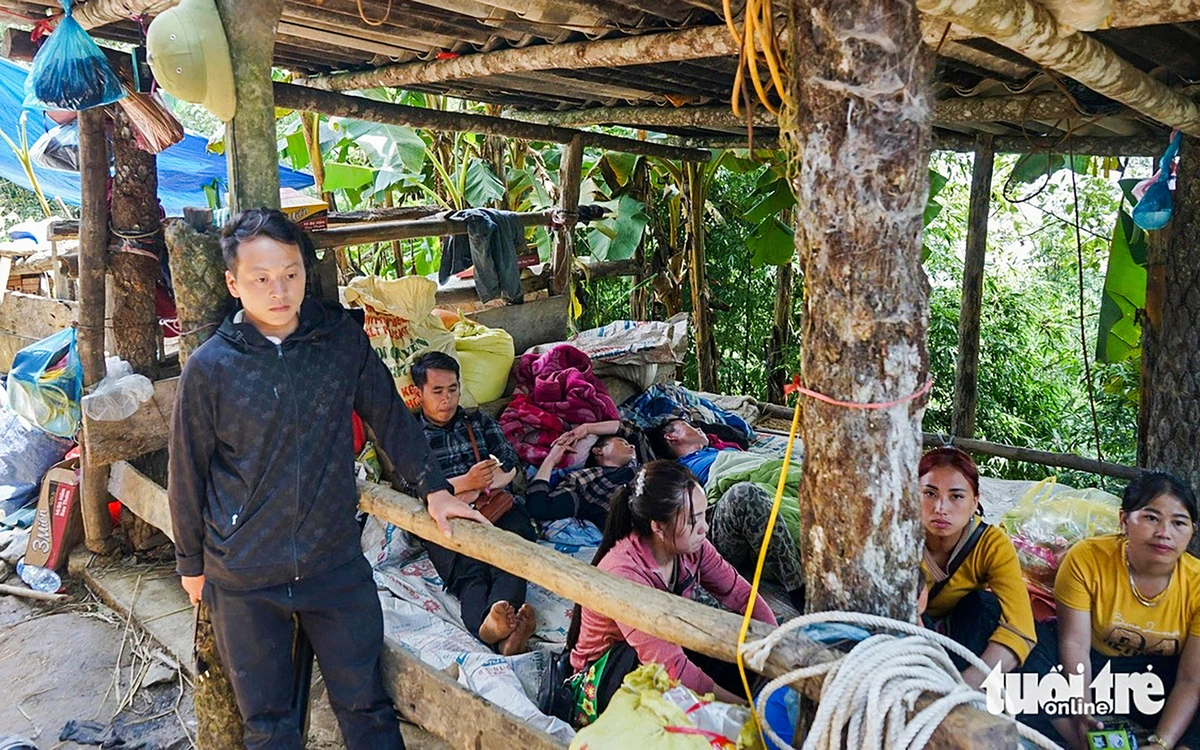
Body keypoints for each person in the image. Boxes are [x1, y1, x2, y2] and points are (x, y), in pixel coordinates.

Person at [168, 209, 484, 750]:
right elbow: (187, 472)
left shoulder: (340, 341)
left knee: (366, 706)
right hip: (244, 575)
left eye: (290, 273)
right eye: (260, 278)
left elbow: (388, 414)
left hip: (333, 562)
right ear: (232, 282)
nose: (278, 290)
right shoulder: (211, 368)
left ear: (304, 272)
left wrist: (434, 487)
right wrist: (191, 566)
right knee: (268, 725)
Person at [566, 460, 777, 726]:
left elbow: (741, 595)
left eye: (703, 515)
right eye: (693, 520)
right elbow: (670, 667)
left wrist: (774, 650)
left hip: (664, 650)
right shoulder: (623, 573)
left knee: (737, 656)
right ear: (659, 527)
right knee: (687, 703)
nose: (705, 528)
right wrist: (747, 711)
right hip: (605, 679)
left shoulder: (693, 546)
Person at [1018, 471, 1200, 750]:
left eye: (1179, 523)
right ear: (1124, 520)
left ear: (1192, 531)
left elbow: (1190, 679)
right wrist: (1083, 709)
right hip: (1096, 673)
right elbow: (1074, 643)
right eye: (1151, 518)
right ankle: (1079, 737)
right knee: (1014, 630)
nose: (1164, 533)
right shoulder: (1087, 558)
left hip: (1160, 687)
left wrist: (1163, 743)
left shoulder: (1197, 582)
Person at [411, 351, 539, 656]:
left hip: (495, 506)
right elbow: (411, 486)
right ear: (419, 393)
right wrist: (464, 484)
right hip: (446, 519)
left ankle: (496, 629)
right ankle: (495, 628)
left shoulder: (476, 420)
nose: (447, 399)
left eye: (453, 389)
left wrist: (489, 481)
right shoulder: (410, 433)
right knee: (471, 574)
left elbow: (510, 461)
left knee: (511, 557)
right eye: (437, 391)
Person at [649, 417, 805, 603]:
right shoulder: (677, 470)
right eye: (688, 425)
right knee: (744, 495)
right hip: (724, 517)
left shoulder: (720, 449)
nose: (698, 428)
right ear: (671, 437)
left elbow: (739, 430)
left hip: (769, 479)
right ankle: (799, 590)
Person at [918, 447, 1036, 689]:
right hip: (910, 641)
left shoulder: (992, 544)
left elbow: (1021, 628)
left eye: (956, 496)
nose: (941, 507)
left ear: (975, 502)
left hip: (965, 643)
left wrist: (967, 685)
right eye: (929, 493)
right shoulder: (896, 537)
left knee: (985, 605)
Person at [524, 420, 639, 528]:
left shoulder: (642, 465)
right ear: (598, 450)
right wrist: (551, 460)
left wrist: (587, 428)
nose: (632, 446)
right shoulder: (586, 479)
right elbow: (539, 507)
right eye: (623, 442)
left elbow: (633, 431)